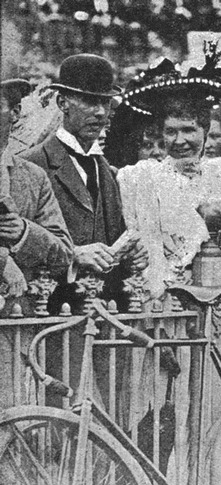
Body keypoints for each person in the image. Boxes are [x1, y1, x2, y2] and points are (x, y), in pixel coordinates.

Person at [118, 56, 221, 298]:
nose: (179, 141)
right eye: (171, 132)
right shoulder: (142, 176)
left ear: (204, 129)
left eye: (189, 130)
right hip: (166, 298)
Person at [20, 54, 148, 313]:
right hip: (50, 314)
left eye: (105, 102)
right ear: (62, 103)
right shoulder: (30, 165)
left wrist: (132, 255)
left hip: (105, 314)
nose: (100, 112)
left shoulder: (108, 171)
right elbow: (15, 242)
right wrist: (73, 255)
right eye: (89, 101)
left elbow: (113, 242)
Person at [0, 78, 74, 408]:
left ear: (14, 113)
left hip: (17, 328)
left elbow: (64, 255)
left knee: (17, 424)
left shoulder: (31, 178)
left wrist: (25, 234)